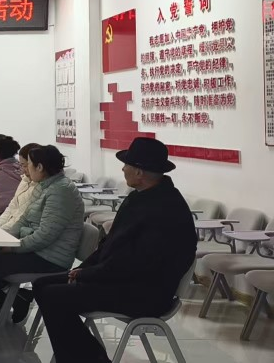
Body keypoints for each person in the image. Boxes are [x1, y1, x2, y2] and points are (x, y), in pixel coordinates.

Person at [32, 138, 196, 363]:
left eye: (126, 165)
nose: (123, 169)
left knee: (53, 296)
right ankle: (89, 356)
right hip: (120, 279)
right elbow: (110, 245)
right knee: (41, 285)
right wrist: (83, 270)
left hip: (144, 291)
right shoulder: (140, 197)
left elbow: (135, 264)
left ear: (139, 171)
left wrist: (88, 275)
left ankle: (85, 358)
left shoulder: (166, 209)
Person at [0, 145, 83, 320]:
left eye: (28, 165)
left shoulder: (61, 191)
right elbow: (23, 219)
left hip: (50, 258)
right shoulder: (44, 185)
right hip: (35, 249)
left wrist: (12, 248)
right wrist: (0, 239)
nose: (24, 169)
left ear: (39, 167)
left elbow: (45, 236)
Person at [0, 143, 41, 230]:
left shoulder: (40, 188)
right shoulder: (25, 180)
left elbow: (21, 218)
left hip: (16, 231)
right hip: (8, 228)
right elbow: (11, 208)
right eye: (21, 165)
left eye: (25, 165)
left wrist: (0, 232)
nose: (23, 169)